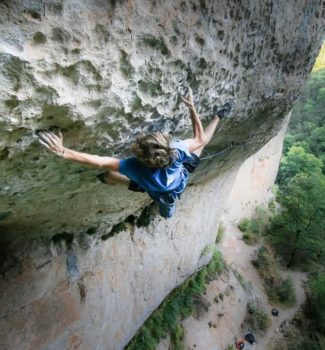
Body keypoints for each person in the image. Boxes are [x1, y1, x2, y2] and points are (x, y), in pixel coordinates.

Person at [37, 88, 232, 218]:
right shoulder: (177, 151)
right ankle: (218, 117)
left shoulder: (134, 167)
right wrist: (191, 108)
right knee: (200, 147)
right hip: (176, 185)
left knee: (108, 175)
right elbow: (201, 139)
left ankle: (112, 181)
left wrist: (63, 151)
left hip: (156, 191)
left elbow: (99, 161)